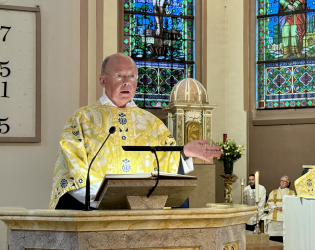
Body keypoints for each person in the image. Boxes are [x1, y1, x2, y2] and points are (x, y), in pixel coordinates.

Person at [49, 53, 222, 209]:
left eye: (131, 76)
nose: (126, 82)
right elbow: (72, 173)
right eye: (119, 76)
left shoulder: (152, 123)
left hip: (143, 216)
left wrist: (183, 153)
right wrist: (109, 199)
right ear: (102, 80)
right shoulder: (82, 119)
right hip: (96, 213)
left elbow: (167, 168)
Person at [266, 175, 295, 243]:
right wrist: (276, 207)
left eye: (285, 181)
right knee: (273, 236)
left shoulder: (291, 192)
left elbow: (292, 204)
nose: (282, 182)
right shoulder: (273, 192)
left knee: (284, 236)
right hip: (275, 211)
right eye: (281, 181)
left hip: (285, 212)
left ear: (288, 184)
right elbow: (269, 203)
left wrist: (283, 208)